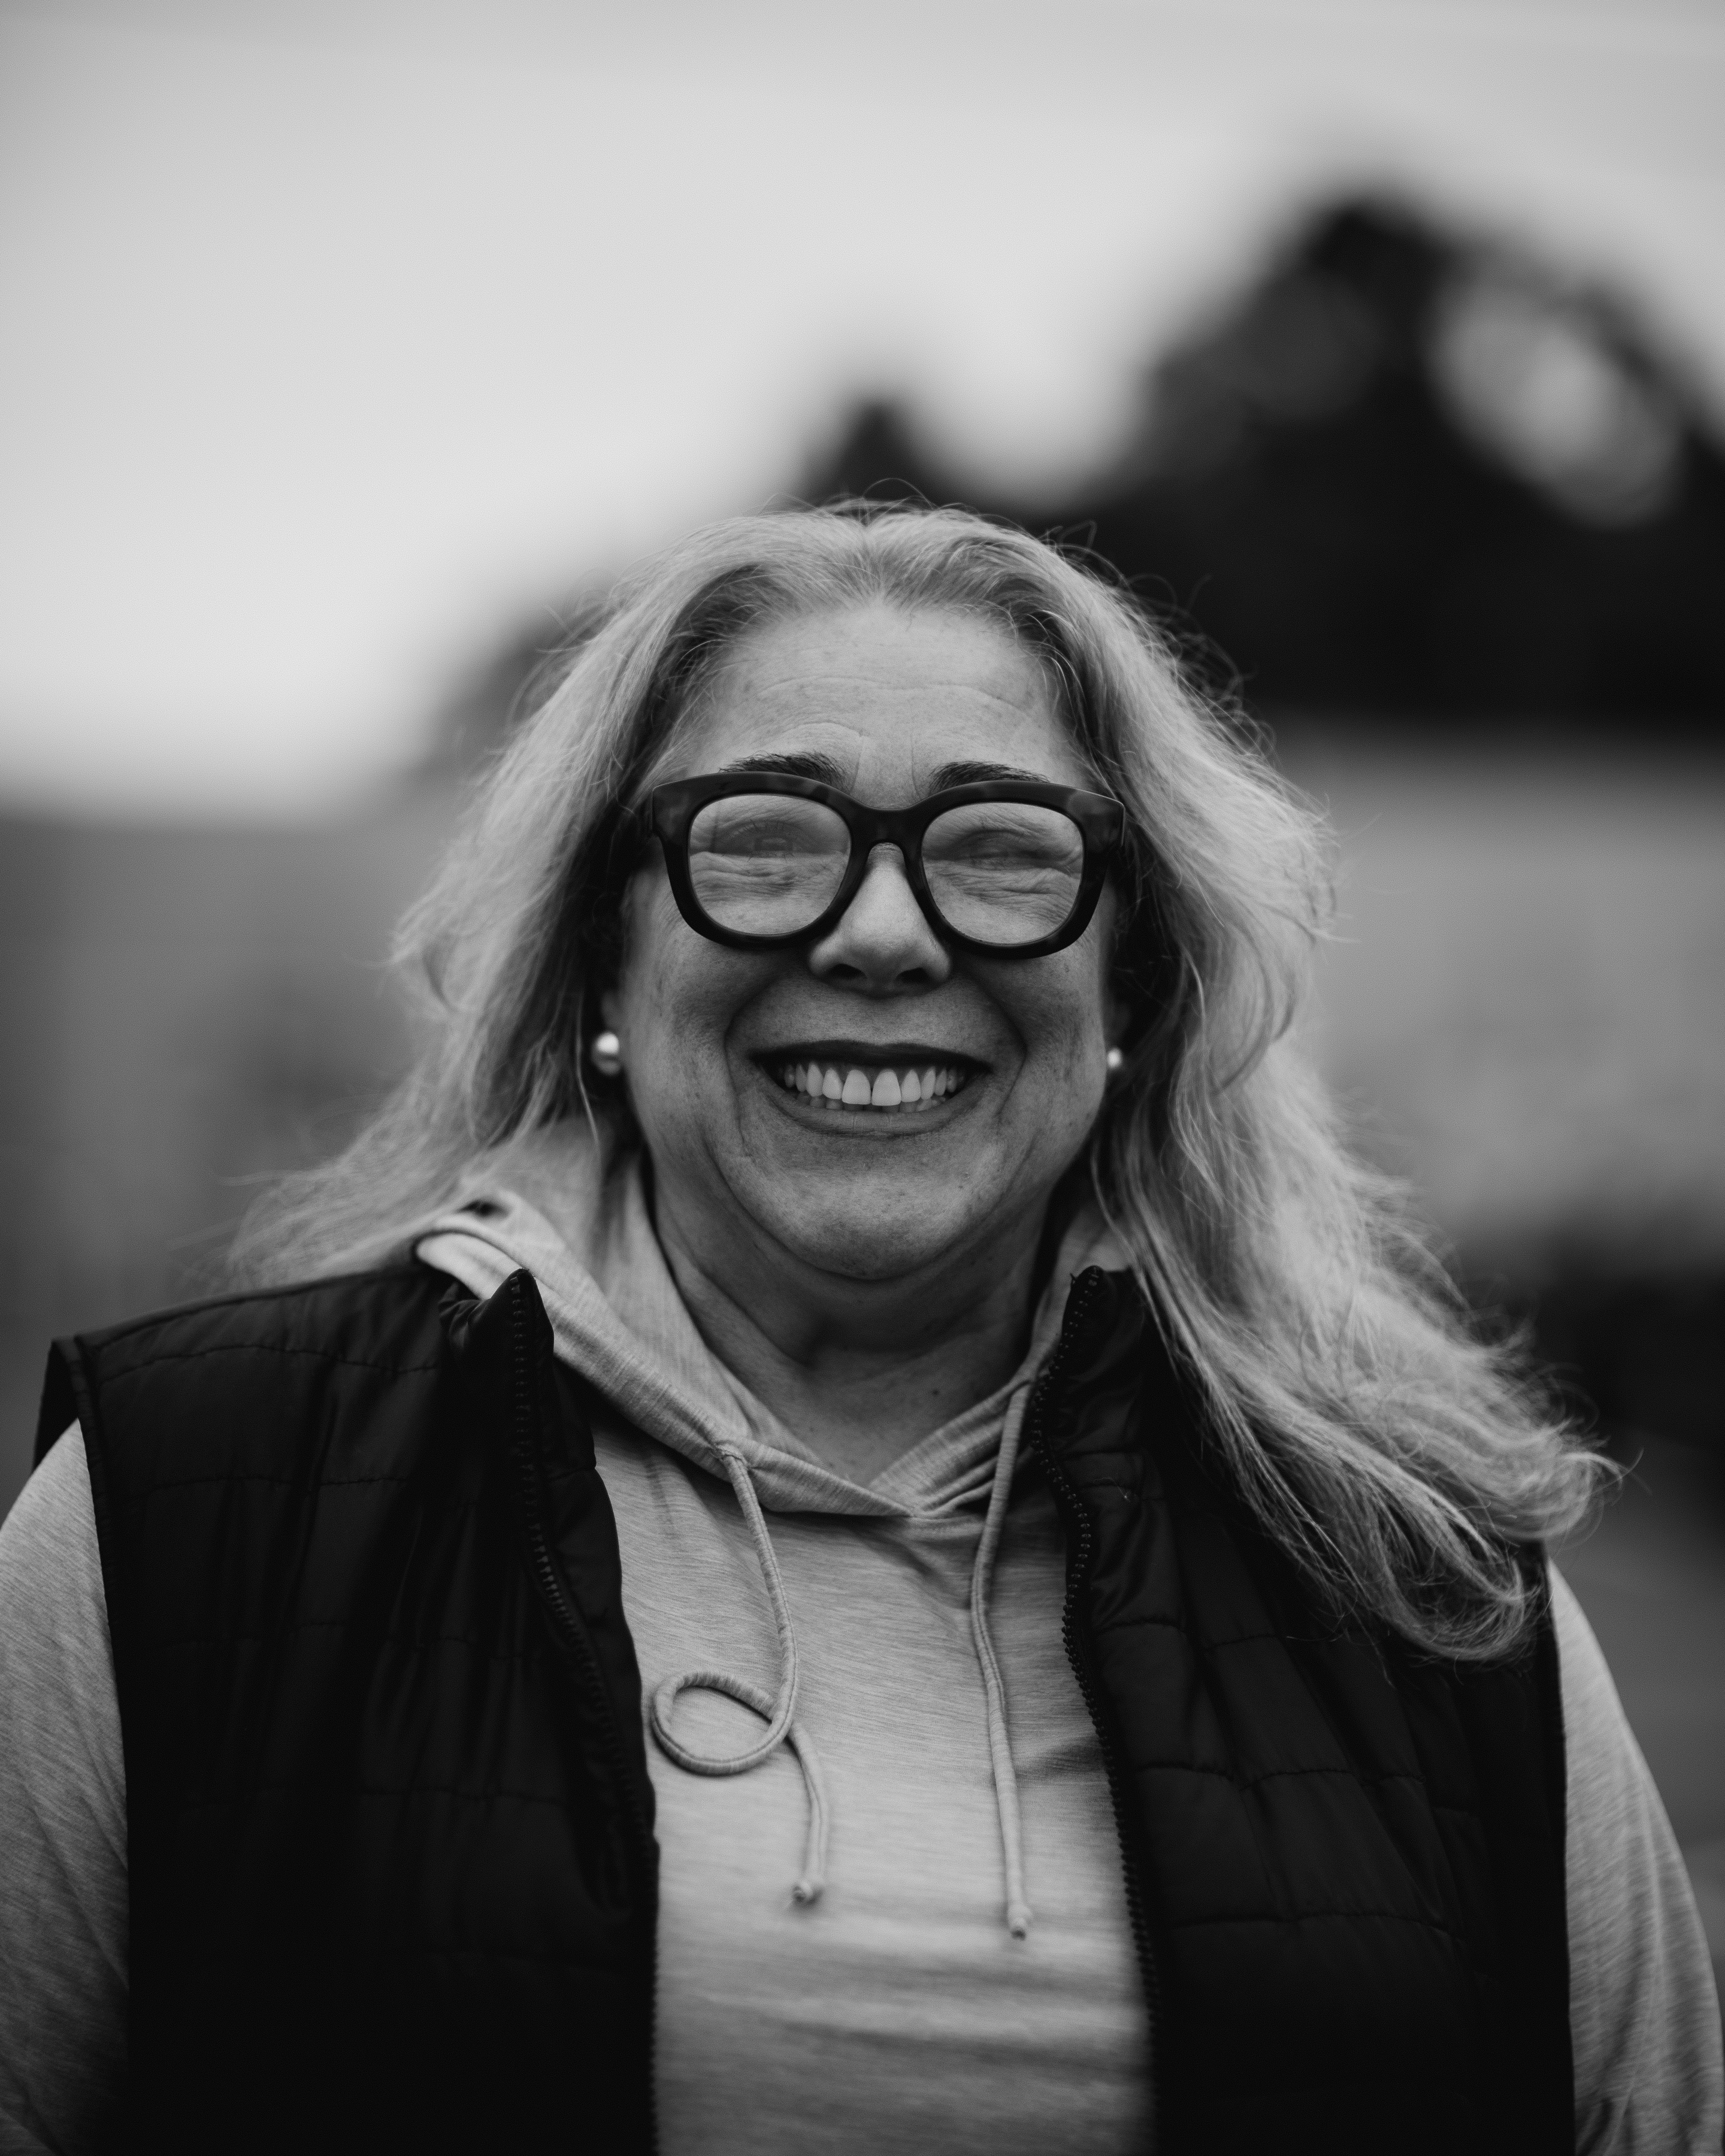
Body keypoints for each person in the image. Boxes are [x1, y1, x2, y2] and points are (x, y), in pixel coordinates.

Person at [0, 503, 1718, 2156]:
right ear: (602, 959)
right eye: (762, 837)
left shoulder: (1422, 1581)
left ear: (1131, 987)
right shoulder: (178, 1518)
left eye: (1000, 848)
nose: (884, 931)